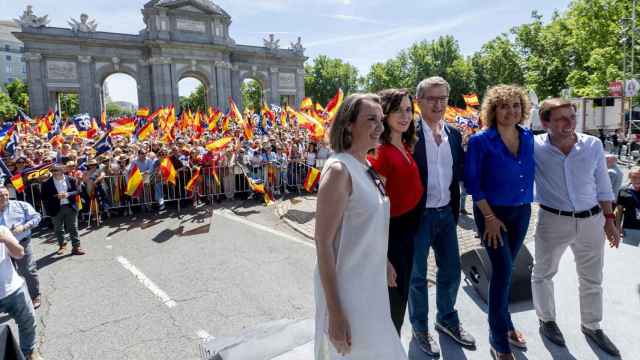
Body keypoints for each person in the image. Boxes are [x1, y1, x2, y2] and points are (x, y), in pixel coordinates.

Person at [314, 93, 406, 359]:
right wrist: (336, 312)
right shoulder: (339, 170)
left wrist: (384, 261)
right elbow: (322, 243)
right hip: (347, 289)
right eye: (370, 120)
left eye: (380, 120)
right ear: (349, 125)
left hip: (370, 281)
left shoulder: (365, 165)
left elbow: (367, 225)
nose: (380, 126)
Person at [532, 98, 620, 357]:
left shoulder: (592, 144)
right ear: (545, 122)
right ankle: (547, 320)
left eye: (572, 116)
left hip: (592, 221)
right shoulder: (534, 147)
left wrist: (609, 220)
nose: (570, 123)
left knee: (592, 277)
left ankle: (592, 325)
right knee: (543, 273)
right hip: (553, 220)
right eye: (561, 118)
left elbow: (603, 184)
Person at [465, 85, 534, 359]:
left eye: (516, 105)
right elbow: (472, 182)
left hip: (522, 212)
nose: (511, 111)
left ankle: (505, 323)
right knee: (503, 272)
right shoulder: (481, 140)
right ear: (493, 110)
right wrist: (489, 217)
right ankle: (498, 341)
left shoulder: (528, 136)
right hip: (492, 215)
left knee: (506, 271)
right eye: (504, 106)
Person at [409, 77, 475, 356]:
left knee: (451, 271)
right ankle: (420, 327)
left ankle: (446, 318)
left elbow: (457, 176)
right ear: (419, 101)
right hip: (418, 217)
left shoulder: (454, 134)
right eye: (432, 98)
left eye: (443, 98)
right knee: (418, 277)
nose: (438, 104)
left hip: (446, 215)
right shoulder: (407, 133)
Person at [368, 89, 423, 335]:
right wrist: (383, 257)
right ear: (385, 113)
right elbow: (375, 208)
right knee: (393, 307)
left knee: (400, 301)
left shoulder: (405, 145)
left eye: (409, 109)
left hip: (409, 234)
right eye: (398, 109)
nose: (405, 115)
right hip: (392, 237)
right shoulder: (381, 152)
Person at [0, 225, 43, 360]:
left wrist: (6, 239)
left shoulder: (2, 230)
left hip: (13, 289)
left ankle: (29, 353)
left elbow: (19, 253)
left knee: (27, 322)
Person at [0, 186, 42, 309]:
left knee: (28, 270)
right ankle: (10, 300)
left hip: (21, 242)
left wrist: (23, 227)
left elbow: (37, 217)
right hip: (3, 246)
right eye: (1, 195)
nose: (4, 197)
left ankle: (35, 295)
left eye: (6, 194)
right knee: (6, 273)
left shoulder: (20, 205)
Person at [41, 164, 86, 256]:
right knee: (58, 229)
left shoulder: (71, 179)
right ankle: (62, 245)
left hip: (70, 206)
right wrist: (55, 196)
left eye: (56, 170)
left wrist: (68, 194)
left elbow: (78, 190)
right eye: (52, 171)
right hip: (55, 208)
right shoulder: (46, 183)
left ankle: (76, 247)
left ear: (62, 170)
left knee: (73, 227)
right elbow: (43, 197)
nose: (54, 172)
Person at [615, 167, 640, 243]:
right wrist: (618, 228)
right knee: (631, 253)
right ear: (630, 177)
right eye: (634, 177)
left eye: (639, 177)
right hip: (630, 228)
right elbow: (619, 211)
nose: (638, 180)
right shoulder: (624, 190)